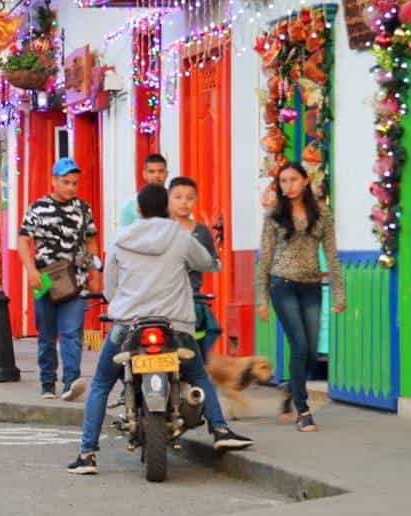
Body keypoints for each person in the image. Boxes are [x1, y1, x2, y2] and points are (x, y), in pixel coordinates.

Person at [68, 183, 252, 474]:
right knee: (198, 375)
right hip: (176, 325)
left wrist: (120, 302)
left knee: (102, 383)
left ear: (139, 210)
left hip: (129, 325)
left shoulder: (120, 240)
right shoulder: (179, 236)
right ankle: (220, 431)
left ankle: (87, 454)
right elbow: (208, 263)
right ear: (166, 208)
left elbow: (110, 289)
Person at [257, 160, 345, 432]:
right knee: (299, 344)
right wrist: (262, 297)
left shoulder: (322, 213)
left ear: (305, 181)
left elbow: (331, 254)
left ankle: (289, 388)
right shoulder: (274, 214)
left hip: (311, 286)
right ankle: (303, 410)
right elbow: (266, 256)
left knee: (310, 351)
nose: (289, 186)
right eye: (283, 181)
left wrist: (339, 292)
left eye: (293, 179)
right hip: (282, 285)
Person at [18, 157, 99, 402]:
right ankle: (47, 382)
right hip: (44, 278)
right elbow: (23, 240)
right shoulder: (38, 208)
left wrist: (94, 272)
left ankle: (71, 381)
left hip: (77, 279)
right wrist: (30, 271)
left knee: (72, 332)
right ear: (53, 181)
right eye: (66, 182)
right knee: (46, 333)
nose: (71, 188)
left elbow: (91, 240)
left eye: (74, 183)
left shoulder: (83, 209)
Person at [167, 176, 221, 355]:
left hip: (193, 297)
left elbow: (214, 263)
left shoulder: (202, 231)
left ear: (196, 200)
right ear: (168, 198)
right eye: (178, 197)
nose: (184, 202)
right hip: (165, 297)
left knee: (194, 348)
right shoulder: (162, 228)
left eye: (190, 198)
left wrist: (199, 262)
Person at [117, 153, 170, 229]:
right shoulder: (131, 204)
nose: (156, 175)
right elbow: (122, 236)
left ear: (166, 174)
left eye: (161, 171)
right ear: (144, 174)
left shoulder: (175, 200)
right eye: (152, 171)